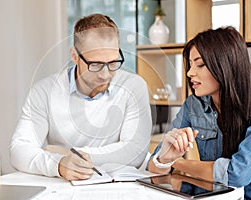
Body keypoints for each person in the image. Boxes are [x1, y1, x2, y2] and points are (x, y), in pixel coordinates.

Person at [10, 13, 152, 181]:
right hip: (65, 189)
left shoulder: (134, 87)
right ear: (74, 56)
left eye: (113, 63)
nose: (106, 74)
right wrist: (59, 164)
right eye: (96, 64)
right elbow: (19, 150)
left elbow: (135, 152)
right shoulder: (44, 91)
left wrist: (70, 153)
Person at [147, 26, 251, 200]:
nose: (190, 73)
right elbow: (153, 166)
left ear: (225, 65)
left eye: (200, 64)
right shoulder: (194, 104)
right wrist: (165, 157)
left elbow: (237, 174)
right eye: (190, 65)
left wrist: (177, 162)